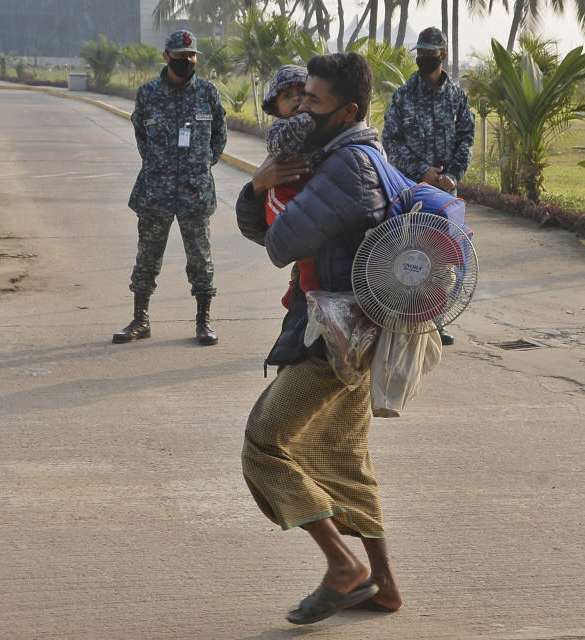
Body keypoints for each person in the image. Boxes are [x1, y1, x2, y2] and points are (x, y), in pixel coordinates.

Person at [236, 52, 403, 626]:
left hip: (331, 337)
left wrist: (269, 191)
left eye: (314, 100)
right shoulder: (350, 155)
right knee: (344, 457)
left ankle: (342, 565)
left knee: (264, 444)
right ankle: (382, 583)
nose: (302, 108)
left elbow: (278, 243)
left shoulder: (345, 168)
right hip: (355, 330)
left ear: (347, 110)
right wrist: (261, 186)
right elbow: (263, 227)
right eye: (300, 97)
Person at [113, 29, 227, 346]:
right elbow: (142, 138)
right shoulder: (148, 94)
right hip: (155, 191)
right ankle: (140, 320)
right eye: (180, 56)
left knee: (201, 259)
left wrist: (200, 166)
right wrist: (159, 167)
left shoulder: (208, 93)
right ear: (166, 56)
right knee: (147, 257)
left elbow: (219, 137)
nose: (186, 61)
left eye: (191, 56)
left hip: (195, 191)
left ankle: (203, 321)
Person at [382, 26, 475, 346]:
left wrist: (454, 175)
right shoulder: (404, 95)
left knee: (441, 257)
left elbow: (466, 138)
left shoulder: (457, 96)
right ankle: (404, 316)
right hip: (410, 190)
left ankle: (435, 319)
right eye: (419, 53)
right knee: (408, 255)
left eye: (429, 53)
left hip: (445, 193)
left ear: (443, 56)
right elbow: (390, 140)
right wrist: (421, 172)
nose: (423, 58)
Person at [261, 64, 322, 308]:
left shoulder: (322, 126)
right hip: (284, 194)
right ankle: (303, 288)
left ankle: (298, 285)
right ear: (276, 107)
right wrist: (308, 119)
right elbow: (280, 147)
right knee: (295, 230)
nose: (296, 99)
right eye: (287, 96)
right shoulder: (279, 128)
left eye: (302, 93)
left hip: (312, 193)